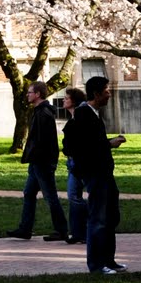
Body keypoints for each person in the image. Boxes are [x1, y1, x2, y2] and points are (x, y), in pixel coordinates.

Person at [63, 75, 126, 274]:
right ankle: (97, 264)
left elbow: (91, 141)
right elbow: (79, 145)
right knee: (98, 218)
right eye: (106, 91)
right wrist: (109, 143)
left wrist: (107, 143)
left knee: (110, 216)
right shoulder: (83, 114)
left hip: (104, 173)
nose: (109, 94)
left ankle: (108, 260)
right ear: (96, 93)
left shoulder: (92, 113)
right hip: (95, 174)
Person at [8, 81, 69, 242]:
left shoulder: (43, 114)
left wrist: (37, 158)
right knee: (29, 193)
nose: (27, 95)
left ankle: (61, 229)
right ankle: (25, 228)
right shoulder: (39, 112)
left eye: (30, 92)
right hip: (37, 162)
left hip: (42, 162)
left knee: (50, 196)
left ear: (38, 94)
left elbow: (43, 141)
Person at [62, 86, 89, 246]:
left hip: (81, 162)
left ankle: (87, 228)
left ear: (74, 101)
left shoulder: (81, 117)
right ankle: (77, 232)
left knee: (77, 197)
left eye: (67, 98)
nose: (64, 100)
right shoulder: (73, 118)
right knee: (73, 196)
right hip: (72, 162)